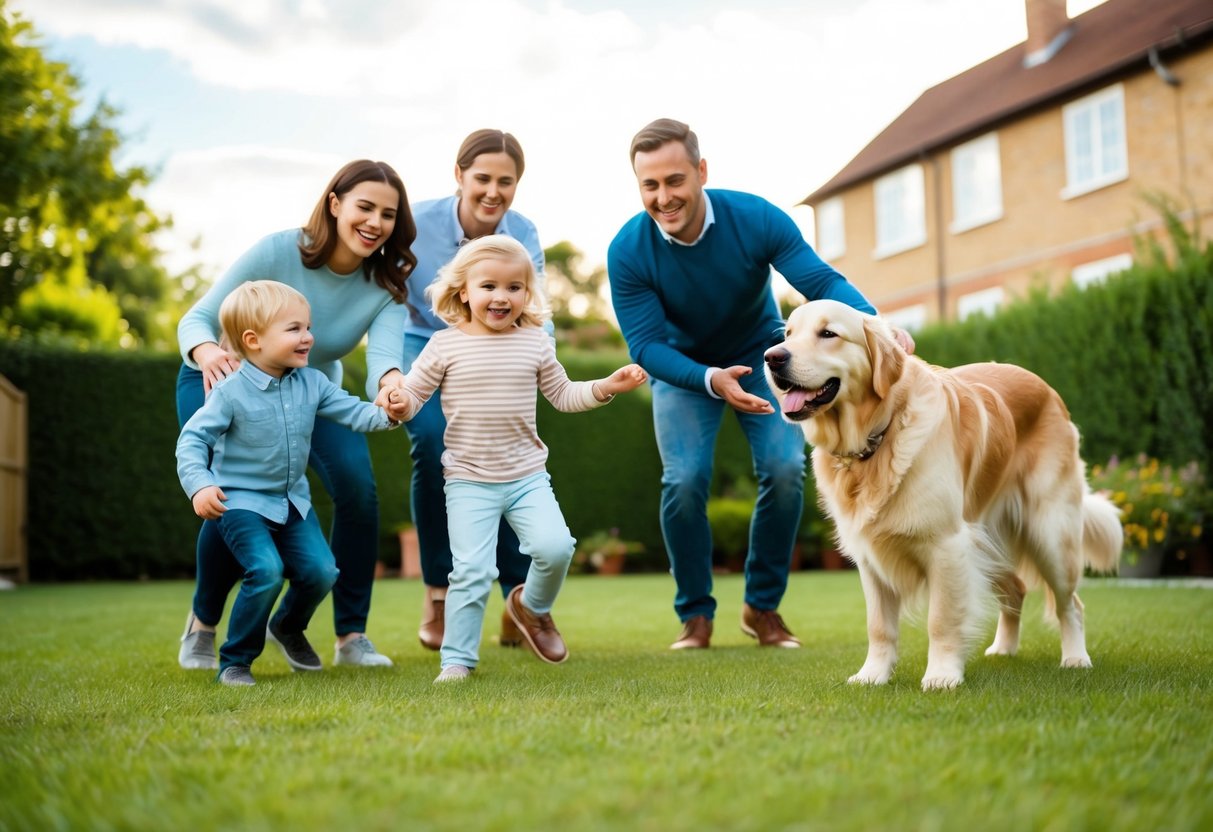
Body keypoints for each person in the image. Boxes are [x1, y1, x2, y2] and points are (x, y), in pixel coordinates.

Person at [606, 118, 915, 651]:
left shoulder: (755, 218)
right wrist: (707, 378)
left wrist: (877, 328)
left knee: (783, 470)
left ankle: (762, 607)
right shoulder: (628, 251)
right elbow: (646, 347)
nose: (663, 197)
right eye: (649, 186)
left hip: (761, 354)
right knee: (683, 480)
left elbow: (820, 282)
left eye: (675, 180)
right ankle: (696, 615)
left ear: (701, 171)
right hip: (683, 369)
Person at [175, 159, 417, 671]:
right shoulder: (277, 250)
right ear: (335, 203)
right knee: (228, 496)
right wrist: (206, 353)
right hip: (223, 381)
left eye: (389, 214)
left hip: (311, 393)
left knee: (358, 487)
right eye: (365, 207)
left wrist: (393, 389)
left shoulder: (387, 285)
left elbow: (383, 364)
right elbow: (197, 317)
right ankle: (202, 624)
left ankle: (348, 635)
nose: (375, 223)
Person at [383, 235, 648, 683]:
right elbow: (413, 395)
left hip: (527, 476)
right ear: (464, 291)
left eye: (514, 287)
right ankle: (458, 660)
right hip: (468, 480)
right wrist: (396, 402)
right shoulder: (444, 346)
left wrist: (606, 386)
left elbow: (564, 396)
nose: (501, 297)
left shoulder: (535, 344)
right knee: (470, 570)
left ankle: (531, 607)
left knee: (556, 547)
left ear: (528, 294)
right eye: (488, 286)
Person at [402, 129, 547, 652]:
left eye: (505, 182)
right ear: (459, 175)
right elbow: (393, 298)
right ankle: (439, 590)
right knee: (432, 438)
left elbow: (537, 304)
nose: (493, 191)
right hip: (420, 337)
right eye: (482, 178)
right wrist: (390, 375)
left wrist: (535, 364)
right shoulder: (416, 223)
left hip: (500, 344)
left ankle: (518, 596)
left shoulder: (523, 231)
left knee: (508, 445)